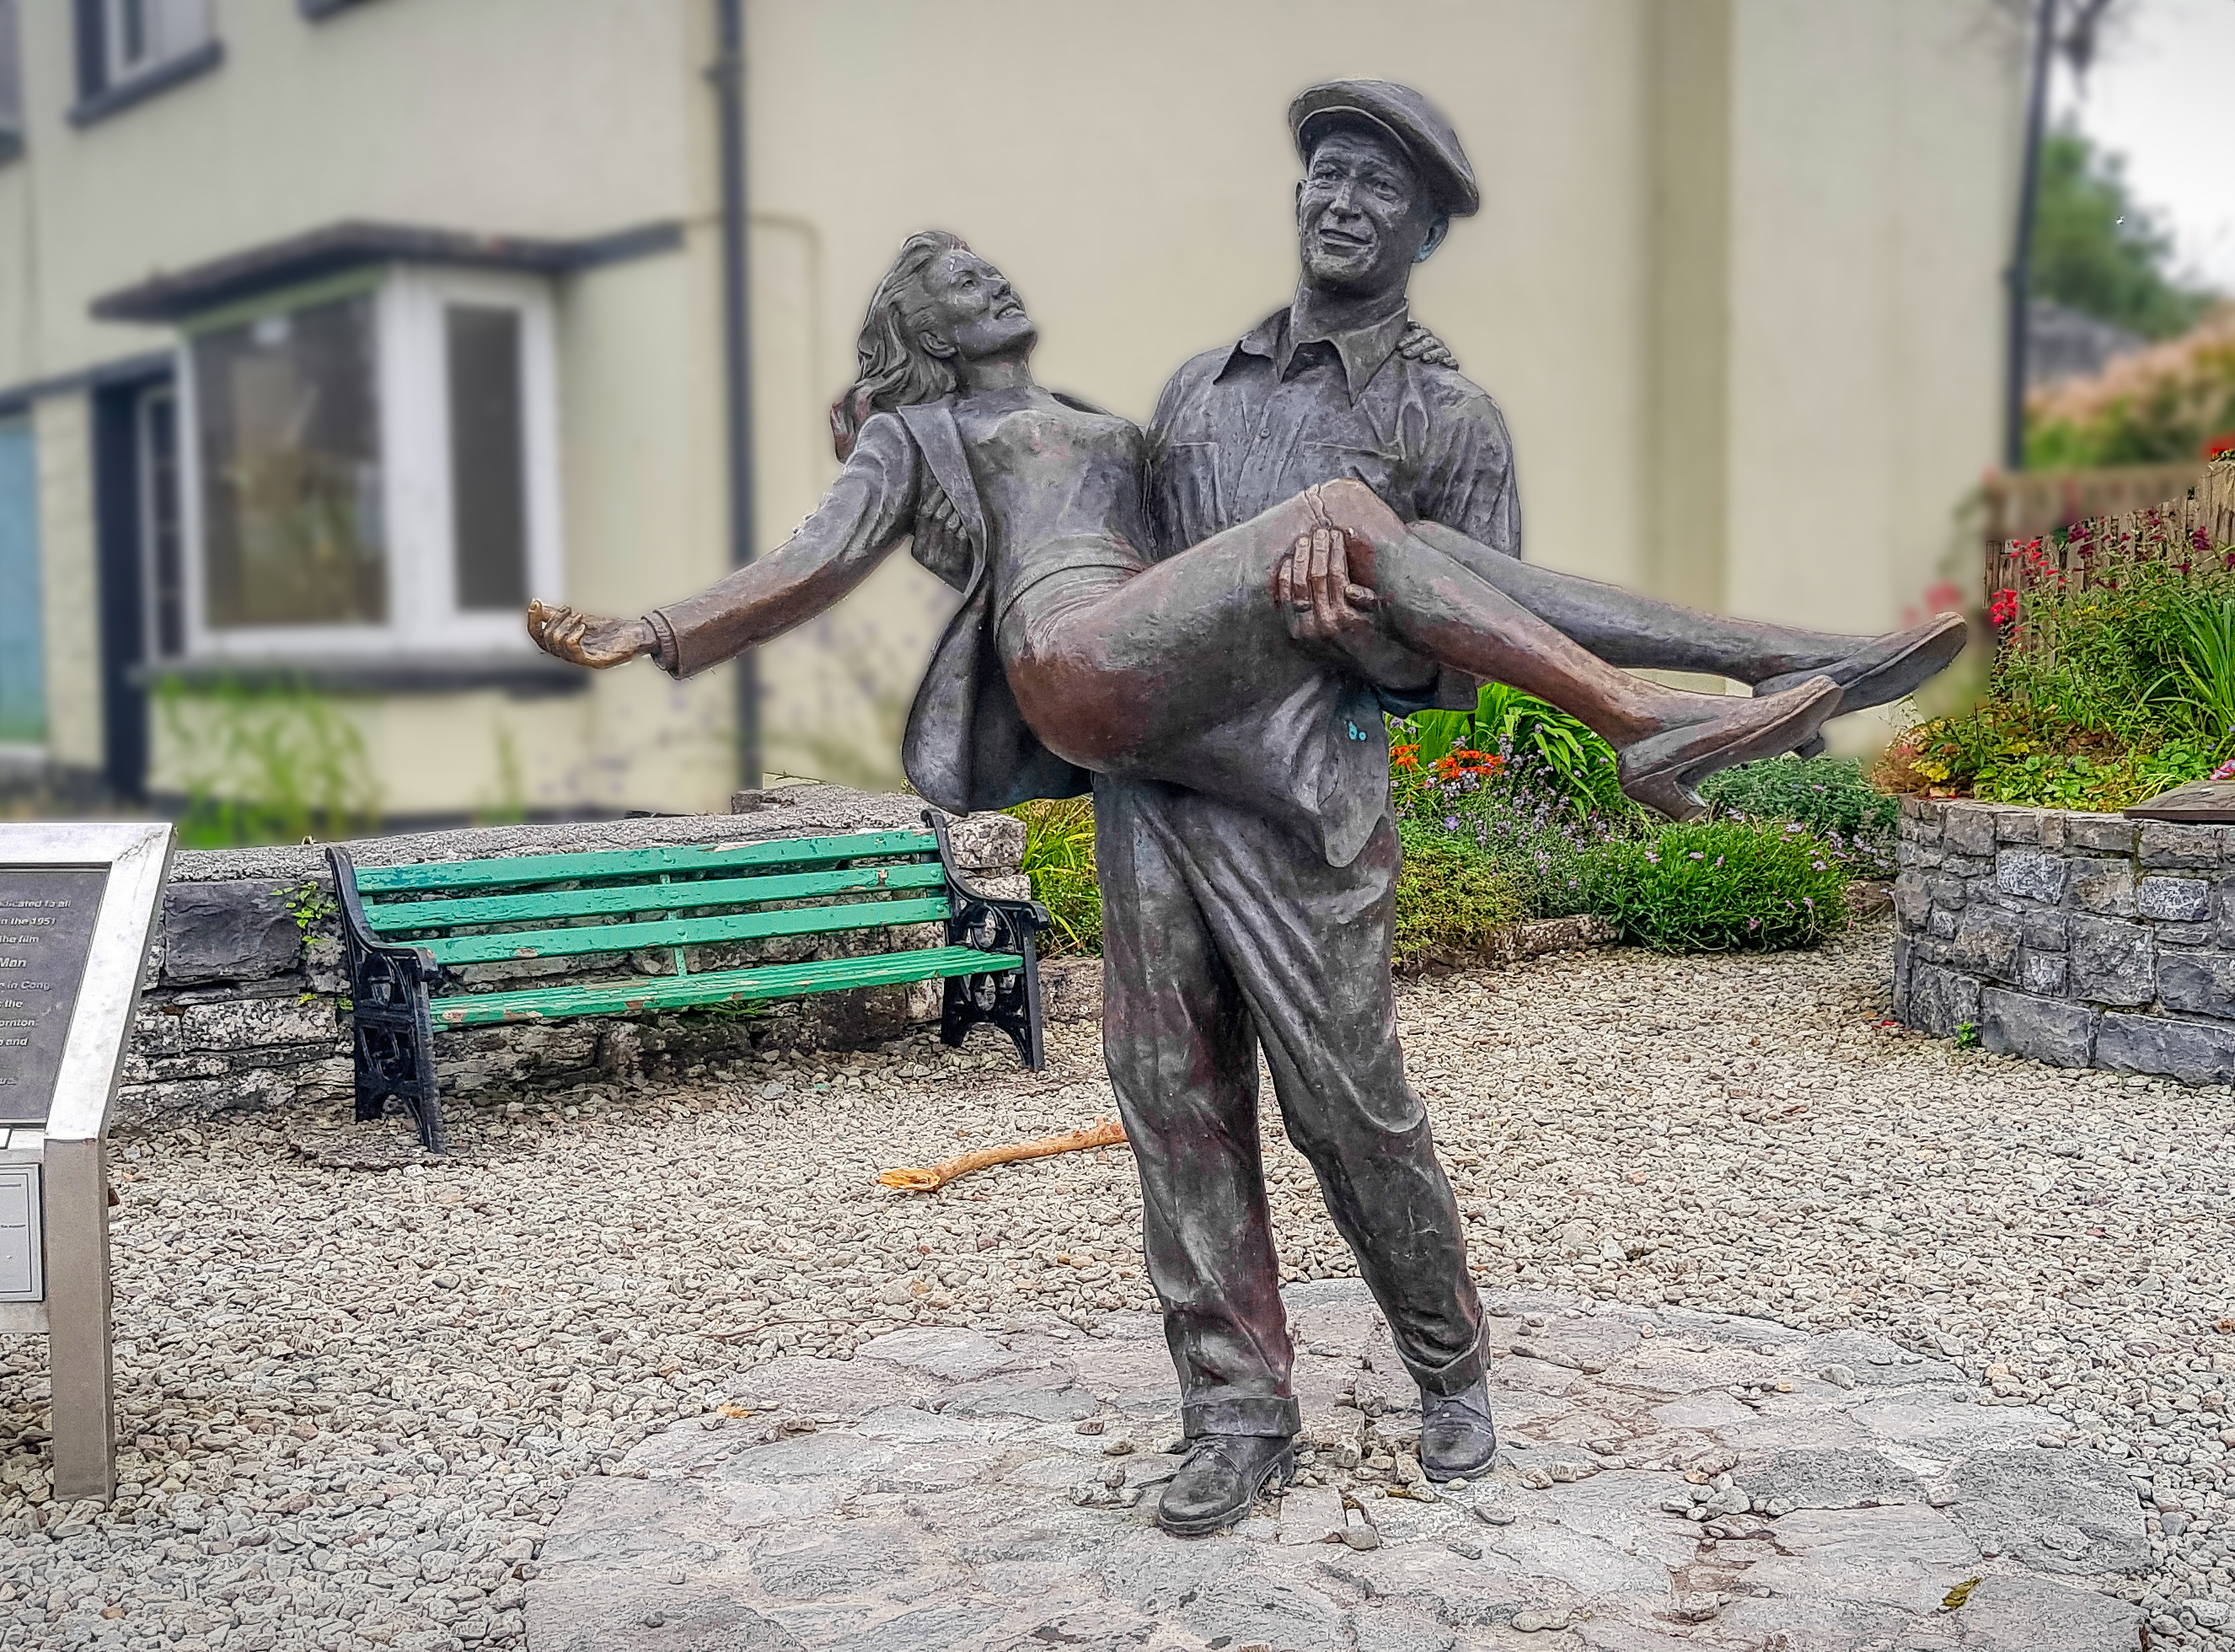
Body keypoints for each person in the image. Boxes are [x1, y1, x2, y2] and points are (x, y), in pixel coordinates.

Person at [1091, 79, 1975, 1537]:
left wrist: (1357, 633)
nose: (1341, 201)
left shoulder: (1447, 418)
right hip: (1160, 795)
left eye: (1380, 186)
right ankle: (1234, 1407)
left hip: (1305, 802)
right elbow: (1138, 600)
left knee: (1349, 1107)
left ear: (1426, 230)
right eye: (1326, 173)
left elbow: (1460, 654)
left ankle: (1448, 1362)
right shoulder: (1197, 391)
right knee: (1174, 1104)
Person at [530, 231, 1839, 840]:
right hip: (1071, 657)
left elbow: (1211, 520)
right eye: (956, 285)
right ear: (922, 334)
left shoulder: (1089, 418)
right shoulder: (913, 438)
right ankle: (1639, 722)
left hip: (1153, 643)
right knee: (1354, 518)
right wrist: (650, 628)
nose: (993, 279)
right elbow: (808, 563)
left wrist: (1401, 378)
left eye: (991, 266)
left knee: (1432, 540)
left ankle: (1768, 657)